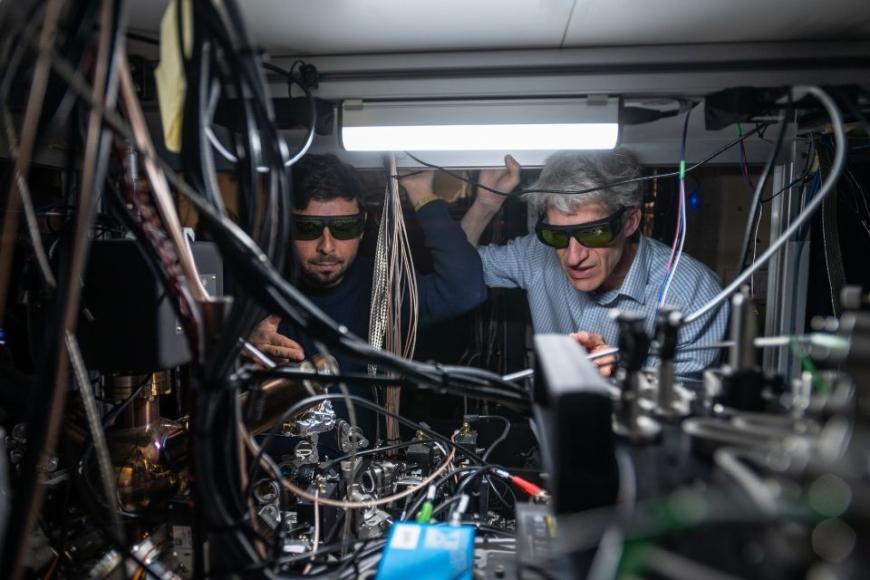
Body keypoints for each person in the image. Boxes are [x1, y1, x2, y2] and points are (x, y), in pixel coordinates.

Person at [248, 154, 487, 443]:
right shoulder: (256, 290)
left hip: (362, 473)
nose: (326, 246)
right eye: (308, 228)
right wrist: (240, 347)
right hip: (271, 474)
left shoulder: (382, 288)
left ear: (362, 226)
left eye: (343, 228)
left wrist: (422, 192)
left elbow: (465, 289)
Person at [461, 150, 728, 379]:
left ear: (630, 222)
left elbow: (677, 417)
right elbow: (457, 269)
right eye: (557, 235)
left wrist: (619, 375)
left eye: (594, 233)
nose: (574, 257)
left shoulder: (693, 293)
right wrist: (486, 204)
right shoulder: (536, 253)